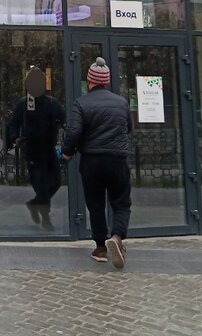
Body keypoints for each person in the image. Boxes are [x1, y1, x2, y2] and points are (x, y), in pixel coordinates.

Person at [62, 57, 132, 269]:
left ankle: (101, 248)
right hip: (118, 159)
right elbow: (128, 128)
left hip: (92, 161)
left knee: (95, 204)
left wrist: (67, 152)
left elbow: (74, 132)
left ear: (89, 81)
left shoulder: (81, 103)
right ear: (107, 81)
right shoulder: (121, 103)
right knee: (121, 202)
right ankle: (118, 237)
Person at [5, 67, 66, 231]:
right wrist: (15, 139)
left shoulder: (52, 103)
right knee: (40, 184)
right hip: (31, 149)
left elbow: (64, 118)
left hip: (48, 148)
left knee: (56, 181)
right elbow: (13, 123)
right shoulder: (23, 103)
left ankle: (35, 203)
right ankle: (46, 217)